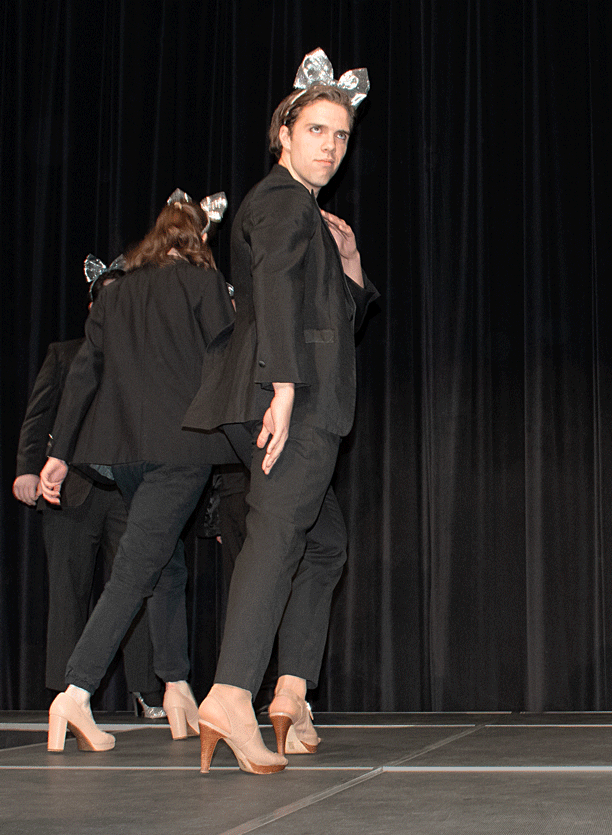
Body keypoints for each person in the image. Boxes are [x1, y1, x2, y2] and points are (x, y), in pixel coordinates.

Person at [184, 49, 378, 775]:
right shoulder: (281, 200)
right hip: (291, 396)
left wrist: (351, 266)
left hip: (289, 390)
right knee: (276, 535)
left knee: (322, 543)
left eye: (342, 135)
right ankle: (231, 693)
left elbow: (326, 316)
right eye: (317, 130)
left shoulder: (306, 212)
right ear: (284, 135)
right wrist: (286, 388)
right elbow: (269, 289)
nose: (331, 146)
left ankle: (290, 693)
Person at [39, 191, 235, 752]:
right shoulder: (202, 282)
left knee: (164, 564)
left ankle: (176, 688)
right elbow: (228, 358)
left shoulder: (117, 290)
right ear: (198, 238)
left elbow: (83, 374)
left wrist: (59, 454)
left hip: (121, 453)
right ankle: (76, 692)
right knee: (134, 570)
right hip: (181, 448)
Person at [13, 257, 162, 717]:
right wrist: (26, 469)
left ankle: (148, 692)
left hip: (127, 492)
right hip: (71, 489)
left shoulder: (146, 360)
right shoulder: (65, 354)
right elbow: (39, 416)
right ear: (94, 307)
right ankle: (67, 695)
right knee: (68, 593)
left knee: (136, 589)